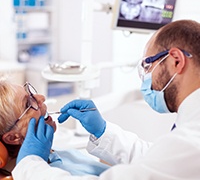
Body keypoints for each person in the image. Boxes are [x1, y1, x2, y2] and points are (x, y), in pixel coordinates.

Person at [13, 19, 200, 179]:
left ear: (176, 60)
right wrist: (103, 131)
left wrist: (29, 165)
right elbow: (158, 160)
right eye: (28, 102)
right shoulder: (187, 137)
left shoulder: (191, 141)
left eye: (148, 66)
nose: (146, 76)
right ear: (11, 137)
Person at [0, 80, 109, 179]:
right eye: (28, 104)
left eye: (30, 94)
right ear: (12, 137)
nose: (41, 97)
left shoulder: (57, 154)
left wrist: (102, 134)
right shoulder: (34, 173)